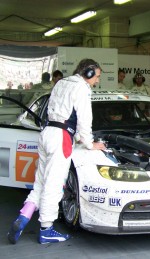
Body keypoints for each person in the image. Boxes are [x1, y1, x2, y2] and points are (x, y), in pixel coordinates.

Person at [7, 59, 106, 245]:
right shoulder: (82, 88)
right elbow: (85, 120)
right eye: (97, 76)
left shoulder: (61, 83)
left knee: (40, 182)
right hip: (61, 138)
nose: (97, 81)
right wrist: (89, 143)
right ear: (89, 73)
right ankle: (46, 230)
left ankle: (23, 217)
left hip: (46, 134)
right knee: (53, 185)